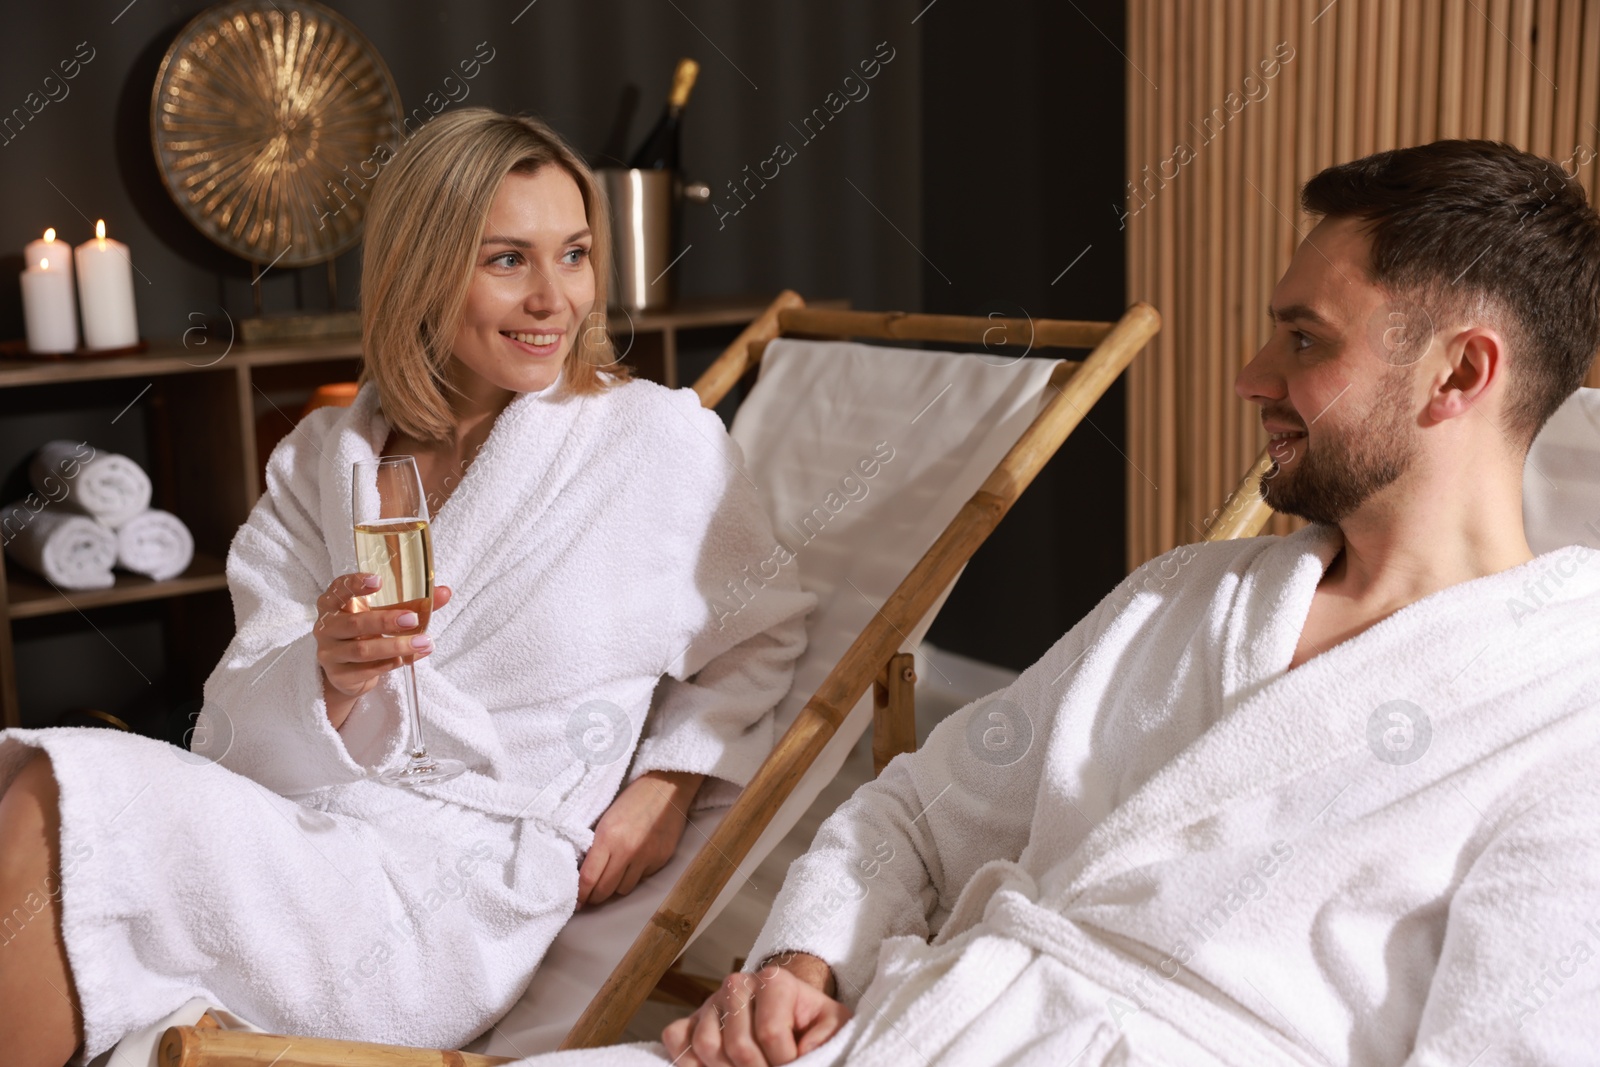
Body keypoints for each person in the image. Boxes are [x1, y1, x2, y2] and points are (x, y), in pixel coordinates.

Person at [522, 140, 1600, 1067]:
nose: (1251, 373)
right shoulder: (1184, 599)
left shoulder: (1565, 716)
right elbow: (911, 815)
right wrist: (802, 959)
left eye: (1306, 338)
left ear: (1457, 375)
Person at [0, 109, 814, 1067]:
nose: (556, 298)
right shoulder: (323, 457)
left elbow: (765, 631)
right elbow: (237, 709)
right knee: (30, 785)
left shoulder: (652, 444)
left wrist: (668, 782)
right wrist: (327, 677)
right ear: (422, 270)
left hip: (455, 900)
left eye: (577, 253)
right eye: (508, 258)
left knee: (64, 789)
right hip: (317, 831)